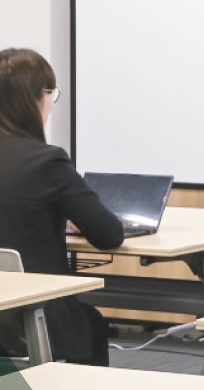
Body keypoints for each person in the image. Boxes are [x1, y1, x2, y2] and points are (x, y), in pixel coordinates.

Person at [0, 48, 124, 366]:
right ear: (35, 100)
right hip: (31, 320)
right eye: (50, 94)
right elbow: (109, 234)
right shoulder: (47, 161)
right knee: (91, 322)